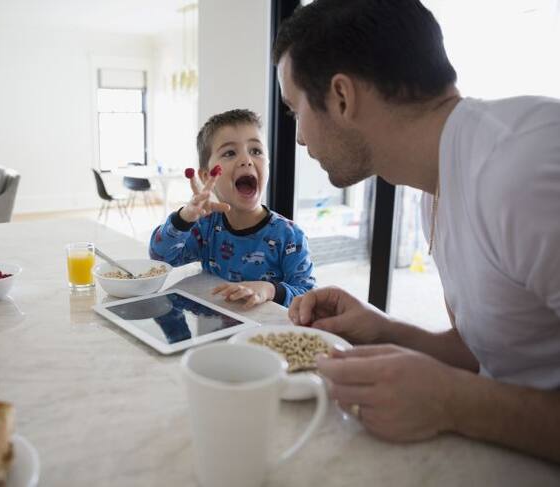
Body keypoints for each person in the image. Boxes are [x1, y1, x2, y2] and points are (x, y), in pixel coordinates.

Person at [274, 0, 560, 462]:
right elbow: (495, 352)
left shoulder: (526, 172)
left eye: (294, 110)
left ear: (342, 97)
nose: (300, 137)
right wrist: (384, 331)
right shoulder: (438, 181)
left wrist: (454, 403)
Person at [150, 109, 316, 308]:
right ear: (206, 176)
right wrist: (183, 218)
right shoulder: (205, 228)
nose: (246, 160)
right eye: (229, 153)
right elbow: (161, 258)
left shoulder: (290, 236)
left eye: (256, 151)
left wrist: (270, 290)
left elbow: (308, 297)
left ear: (268, 164)